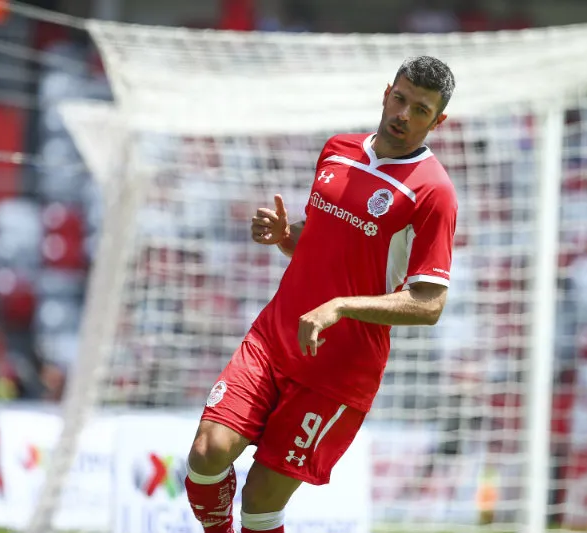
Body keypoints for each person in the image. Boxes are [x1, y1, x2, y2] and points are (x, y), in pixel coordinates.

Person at [185, 56, 458, 533]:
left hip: (338, 371)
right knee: (207, 452)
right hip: (274, 337)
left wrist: (341, 307)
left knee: (260, 502)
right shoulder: (338, 149)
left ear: (439, 121)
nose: (403, 115)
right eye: (400, 99)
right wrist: (284, 235)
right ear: (386, 93)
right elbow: (318, 239)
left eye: (420, 110)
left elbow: (429, 303)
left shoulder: (434, 192)